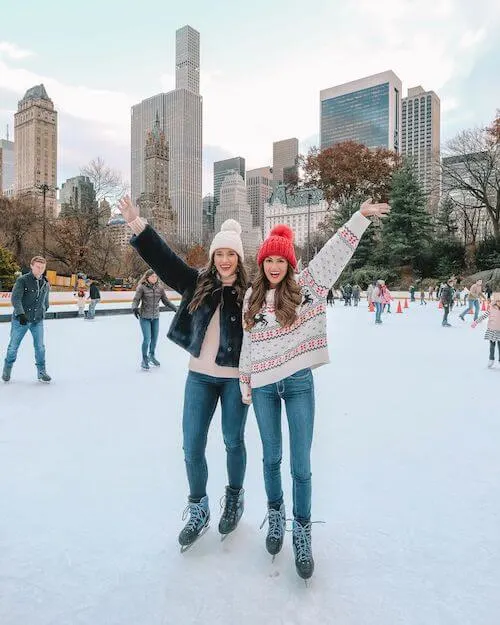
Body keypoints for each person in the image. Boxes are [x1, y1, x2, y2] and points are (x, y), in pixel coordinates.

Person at [239, 199, 390, 580]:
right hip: (263, 387)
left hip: (298, 383)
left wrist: (360, 217)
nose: (274, 267)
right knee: (271, 458)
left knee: (301, 464)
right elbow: (248, 346)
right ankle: (276, 516)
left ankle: (302, 530)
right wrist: (246, 382)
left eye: (280, 261)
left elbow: (334, 252)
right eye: (268, 261)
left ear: (290, 264)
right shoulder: (252, 297)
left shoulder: (309, 287)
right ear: (261, 264)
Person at [117, 195, 249, 550]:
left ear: (239, 257)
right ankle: (198, 507)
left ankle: (234, 497)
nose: (224, 260)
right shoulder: (196, 282)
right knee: (192, 446)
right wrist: (135, 222)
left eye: (230, 254)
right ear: (213, 257)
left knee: (233, 441)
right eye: (219, 254)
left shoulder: (250, 293)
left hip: (236, 380)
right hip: (200, 378)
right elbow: (164, 259)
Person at [2, 256, 51, 383]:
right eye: (38, 267)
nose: (40, 270)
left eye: (42, 267)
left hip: (37, 320)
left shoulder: (45, 282)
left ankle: (41, 372)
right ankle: (7, 368)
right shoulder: (22, 280)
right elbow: (15, 299)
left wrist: (44, 309)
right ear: (32, 266)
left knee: (40, 347)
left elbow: (46, 300)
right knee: (13, 346)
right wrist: (20, 314)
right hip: (21, 320)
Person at [132, 269, 178, 370]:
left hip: (156, 317)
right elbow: (136, 299)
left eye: (156, 276)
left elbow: (166, 301)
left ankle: (151, 356)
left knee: (154, 339)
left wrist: (176, 309)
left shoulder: (160, 288)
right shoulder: (141, 287)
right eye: (152, 276)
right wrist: (134, 307)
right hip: (145, 317)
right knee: (147, 338)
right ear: (147, 277)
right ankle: (144, 359)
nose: (154, 278)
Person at [472, 293, 500, 367]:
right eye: (498, 301)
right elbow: (483, 316)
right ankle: (491, 359)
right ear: (495, 302)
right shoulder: (491, 309)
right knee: (492, 345)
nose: (499, 303)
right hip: (492, 330)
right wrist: (476, 322)